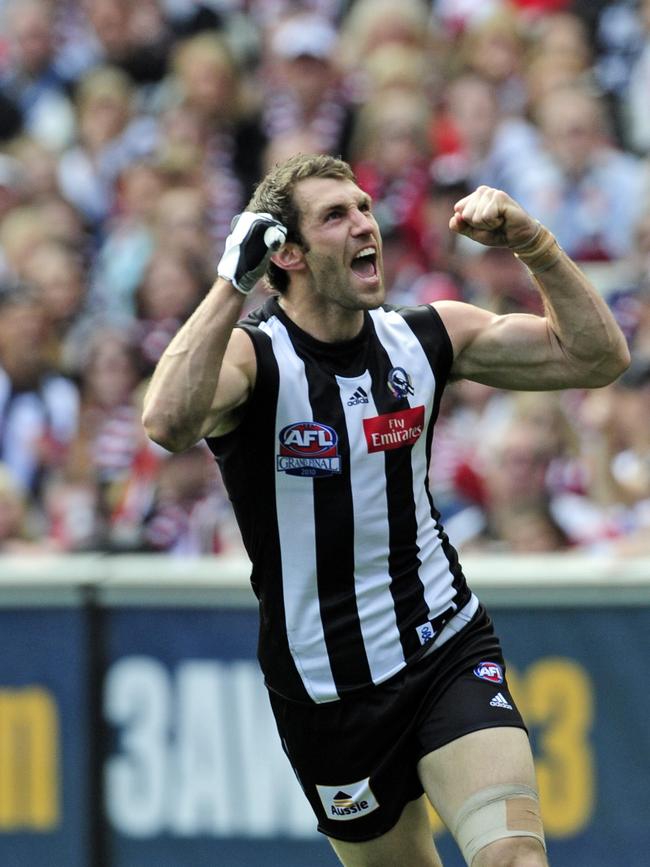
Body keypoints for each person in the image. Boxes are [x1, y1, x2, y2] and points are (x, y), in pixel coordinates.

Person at [142, 153, 629, 867]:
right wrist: (230, 282)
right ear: (290, 254)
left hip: (444, 644)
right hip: (325, 689)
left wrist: (534, 242)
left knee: (514, 857)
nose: (365, 223)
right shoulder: (257, 360)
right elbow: (166, 421)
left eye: (364, 207)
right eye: (335, 216)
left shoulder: (423, 337)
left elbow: (595, 356)